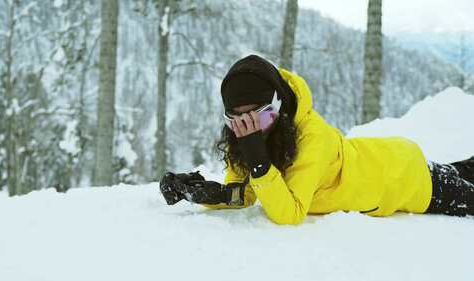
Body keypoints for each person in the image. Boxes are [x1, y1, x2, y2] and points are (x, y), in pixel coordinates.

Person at [159, 54, 474, 225]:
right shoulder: (249, 135)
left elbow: (289, 212)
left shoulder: (314, 137)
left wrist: (256, 156)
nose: (252, 128)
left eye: (261, 116)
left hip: (403, 179)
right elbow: (252, 193)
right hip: (385, 159)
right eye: (238, 120)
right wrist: (204, 193)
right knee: (464, 170)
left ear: (280, 107)